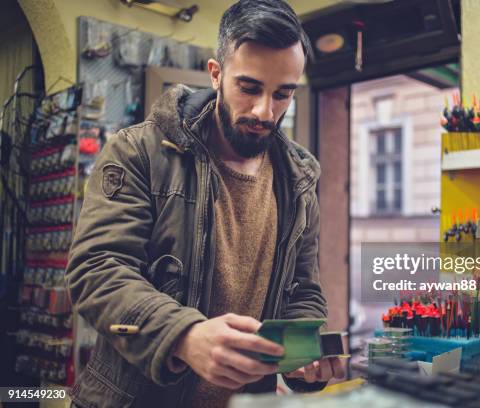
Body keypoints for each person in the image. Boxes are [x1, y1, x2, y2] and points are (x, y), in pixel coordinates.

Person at [65, 1, 344, 407]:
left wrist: (302, 351)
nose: (265, 111)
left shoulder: (300, 179)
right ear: (216, 74)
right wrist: (182, 335)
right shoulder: (137, 152)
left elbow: (302, 289)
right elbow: (97, 268)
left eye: (282, 94)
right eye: (249, 88)